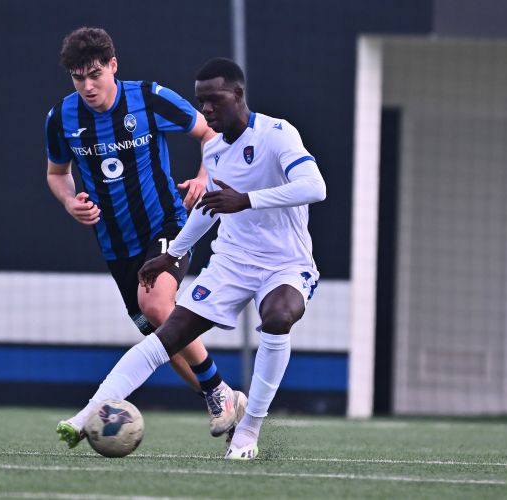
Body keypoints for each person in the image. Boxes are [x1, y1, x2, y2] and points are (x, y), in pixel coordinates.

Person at [59, 57, 326, 460]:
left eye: (215, 100)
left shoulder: (276, 134)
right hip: (232, 263)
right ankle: (85, 417)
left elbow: (315, 187)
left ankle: (247, 432)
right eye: (202, 101)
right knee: (166, 333)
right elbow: (207, 210)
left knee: (277, 316)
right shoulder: (214, 150)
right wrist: (173, 255)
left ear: (238, 94)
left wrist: (246, 200)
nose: (207, 109)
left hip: (286, 263)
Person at [45, 28, 245, 448]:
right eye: (79, 78)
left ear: (113, 66)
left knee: (155, 304)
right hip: (117, 247)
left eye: (95, 75)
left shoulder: (148, 97)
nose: (88, 86)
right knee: (162, 337)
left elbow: (210, 135)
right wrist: (68, 202)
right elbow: (57, 174)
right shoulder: (61, 118)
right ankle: (224, 399)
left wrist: (205, 176)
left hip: (167, 226)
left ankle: (216, 392)